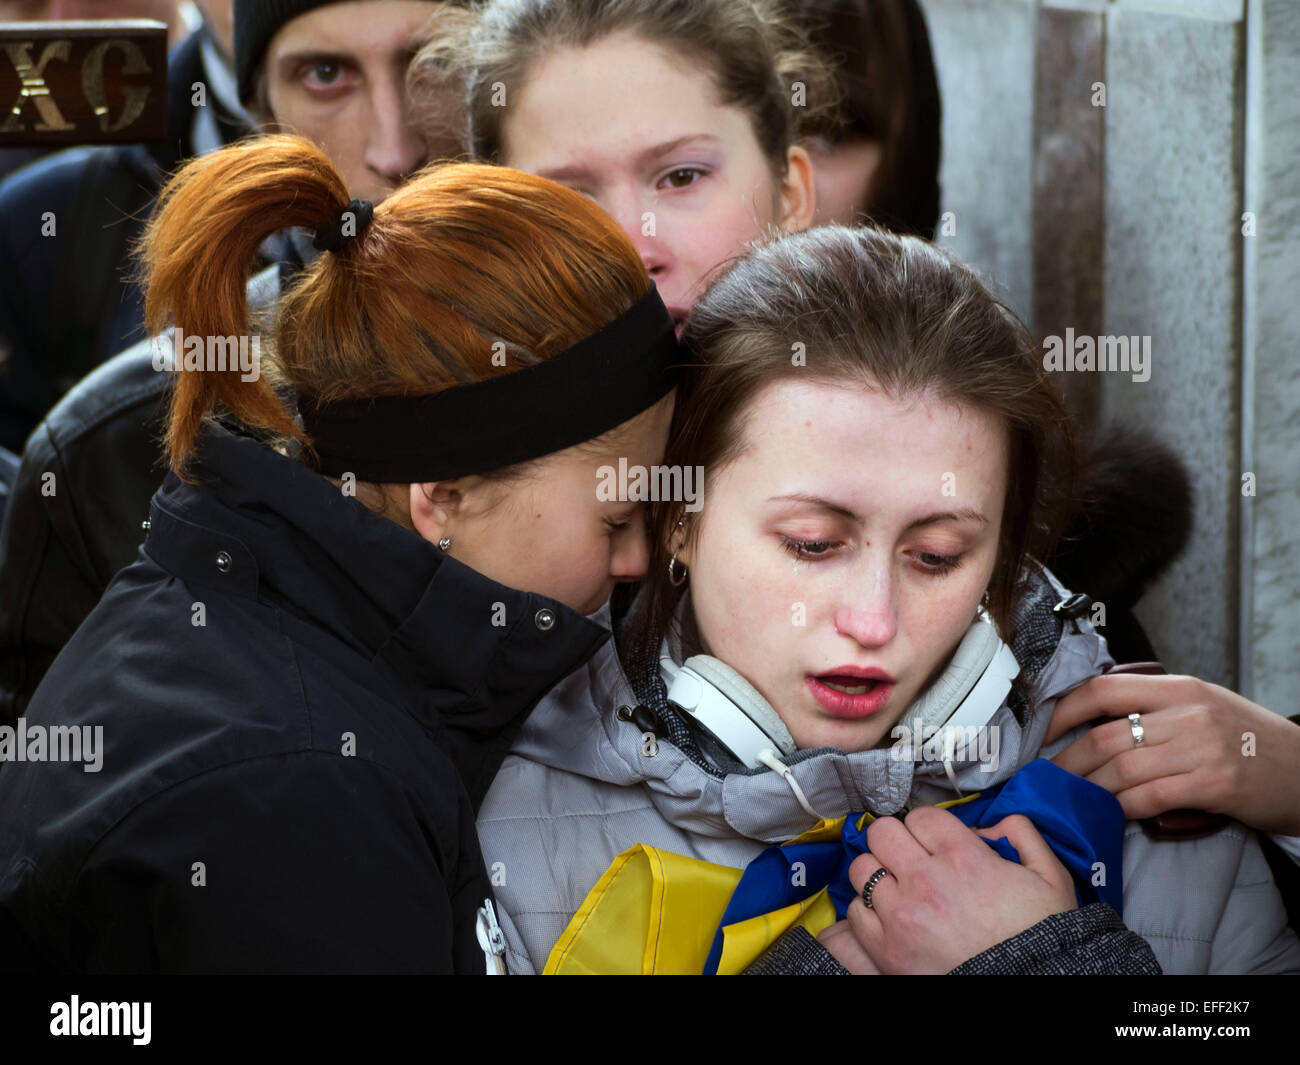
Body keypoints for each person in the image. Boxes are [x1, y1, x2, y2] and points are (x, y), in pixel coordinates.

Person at [434, 0, 1300, 884]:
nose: (633, 245)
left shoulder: (1042, 587)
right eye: (566, 198)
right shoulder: (452, 578)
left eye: (683, 176)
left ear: (792, 193)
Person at [474, 225, 1300, 975]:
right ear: (678, 522)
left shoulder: (1156, 798)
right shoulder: (512, 821)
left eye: (937, 556)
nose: (873, 620)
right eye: (811, 544)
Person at [0, 133, 676, 972]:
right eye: (615, 521)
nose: (639, 559)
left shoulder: (261, 613)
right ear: (446, 498)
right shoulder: (301, 798)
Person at [0, 0, 467, 724]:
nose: (395, 145)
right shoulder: (112, 440)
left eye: (431, 67)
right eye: (325, 74)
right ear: (261, 114)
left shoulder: (626, 335)